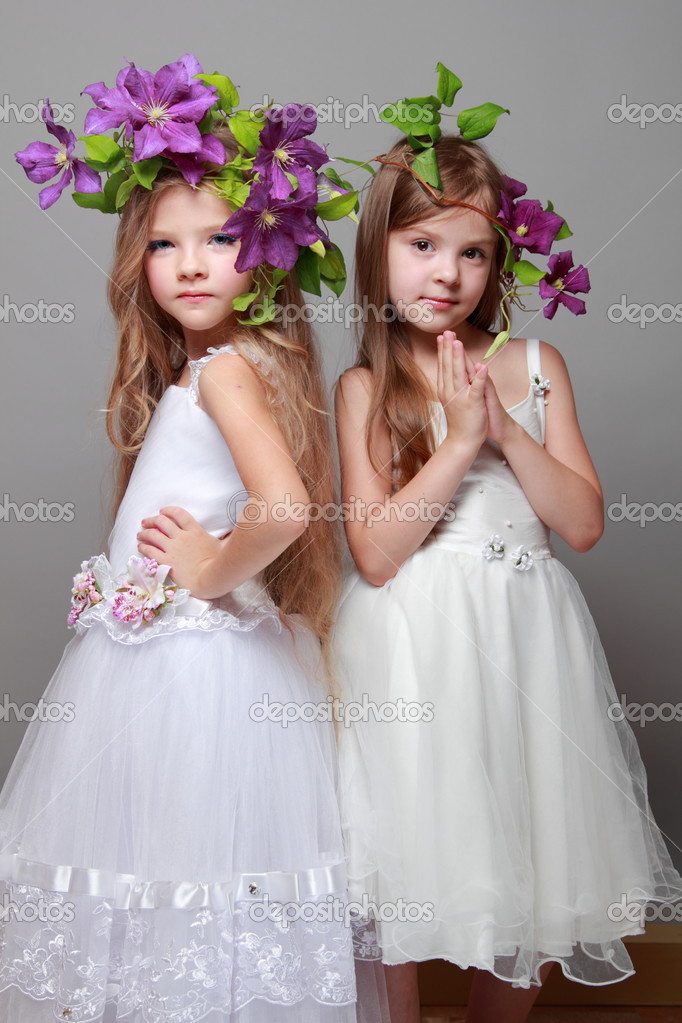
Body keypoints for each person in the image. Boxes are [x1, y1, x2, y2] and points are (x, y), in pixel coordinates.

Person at [1, 55, 385, 1023]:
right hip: (165, 665)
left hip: (188, 670)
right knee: (172, 866)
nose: (193, 262)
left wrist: (207, 570)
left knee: (171, 861)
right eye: (167, 245)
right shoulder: (217, 366)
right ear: (139, 263)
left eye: (219, 238)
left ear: (269, 246)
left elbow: (284, 509)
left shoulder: (223, 374)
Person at [331, 123, 682, 1023]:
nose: (446, 273)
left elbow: (583, 522)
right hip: (411, 646)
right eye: (421, 245)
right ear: (378, 250)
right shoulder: (366, 385)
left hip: (528, 640)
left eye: (473, 253)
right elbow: (374, 552)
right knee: (400, 855)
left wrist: (505, 426)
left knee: (535, 846)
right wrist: (457, 441)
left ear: (500, 264)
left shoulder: (535, 367)